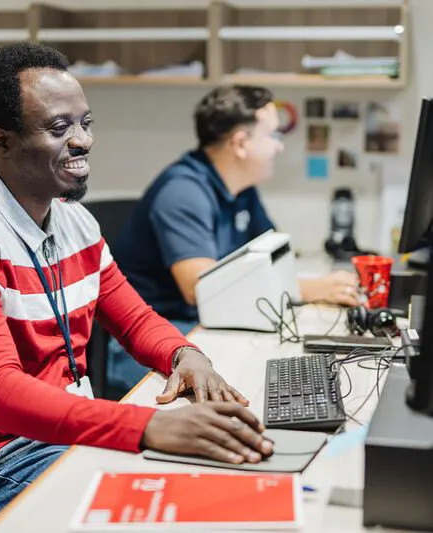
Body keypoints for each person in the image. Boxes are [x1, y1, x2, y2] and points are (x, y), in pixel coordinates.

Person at [0, 45, 273, 533]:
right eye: (60, 129)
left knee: (225, 493)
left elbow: (136, 319)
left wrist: (186, 356)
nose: (83, 140)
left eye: (85, 122)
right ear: (2, 142)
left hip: (69, 439)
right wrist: (147, 427)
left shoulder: (74, 220)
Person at [111, 85, 359, 390]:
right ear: (240, 143)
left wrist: (305, 284)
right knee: (258, 384)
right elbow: (200, 288)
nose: (279, 147)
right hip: (158, 340)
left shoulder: (241, 187)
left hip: (206, 325)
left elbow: (275, 256)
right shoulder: (183, 192)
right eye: (273, 136)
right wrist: (306, 289)